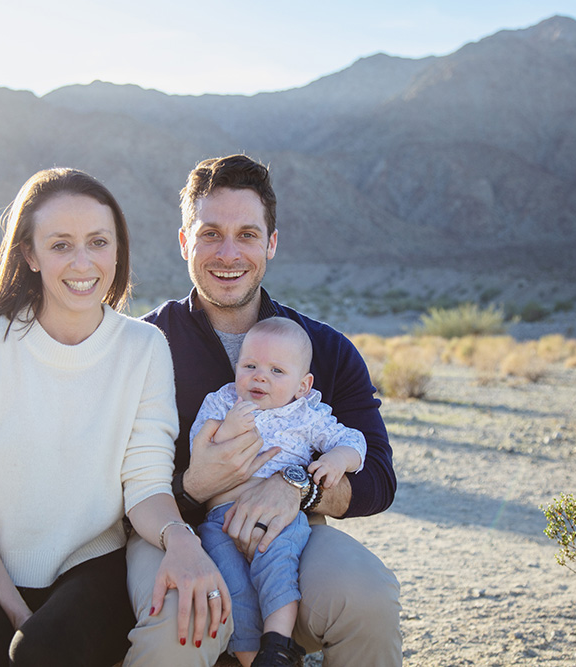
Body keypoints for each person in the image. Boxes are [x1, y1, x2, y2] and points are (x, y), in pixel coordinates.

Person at [0, 167, 230, 667]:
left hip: (93, 569)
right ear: (30, 253)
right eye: (61, 244)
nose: (83, 262)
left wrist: (182, 541)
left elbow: (146, 481)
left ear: (117, 249)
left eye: (98, 242)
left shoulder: (144, 347)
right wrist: (15, 611)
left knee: (42, 654)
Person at [125, 154, 401, 667]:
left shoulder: (324, 349)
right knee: (180, 624)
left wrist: (298, 484)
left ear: (271, 243)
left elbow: (379, 479)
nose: (228, 253)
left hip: (288, 533)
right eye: (210, 233)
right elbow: (102, 489)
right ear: (184, 241)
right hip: (168, 533)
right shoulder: (140, 346)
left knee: (367, 597)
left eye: (248, 234)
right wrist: (194, 487)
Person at [190, 316, 367, 667]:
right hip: (220, 519)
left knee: (278, 569)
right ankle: (249, 657)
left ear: (302, 386)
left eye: (276, 371)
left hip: (282, 518)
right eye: (250, 365)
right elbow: (200, 448)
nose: (260, 376)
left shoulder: (307, 415)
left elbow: (355, 441)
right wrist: (227, 430)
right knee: (232, 584)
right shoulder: (223, 403)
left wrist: (336, 459)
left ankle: (277, 645)